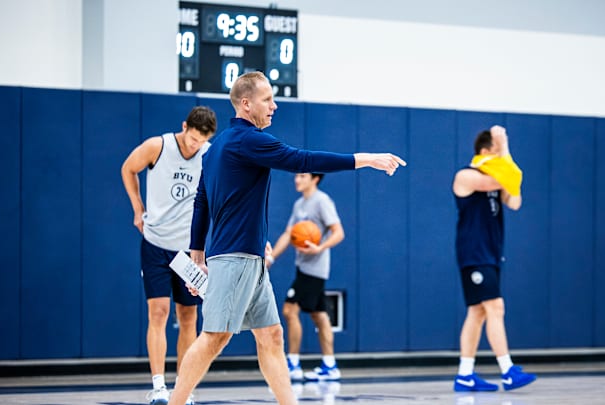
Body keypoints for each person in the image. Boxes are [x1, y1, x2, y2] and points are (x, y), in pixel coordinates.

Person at [167, 71, 406, 405]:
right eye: (268, 100)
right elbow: (301, 160)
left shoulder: (216, 147)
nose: (274, 106)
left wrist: (196, 255)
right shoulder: (248, 140)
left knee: (272, 335)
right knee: (214, 338)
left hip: (247, 256)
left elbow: (202, 201)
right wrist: (365, 159)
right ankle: (175, 401)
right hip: (236, 259)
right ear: (246, 104)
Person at [121, 106, 217, 405]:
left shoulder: (210, 155)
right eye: (191, 140)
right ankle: (159, 386)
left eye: (200, 142)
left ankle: (182, 389)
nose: (194, 146)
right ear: (184, 126)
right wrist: (137, 207)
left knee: (188, 317)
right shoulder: (157, 146)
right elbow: (128, 168)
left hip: (188, 250)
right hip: (155, 244)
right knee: (159, 312)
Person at [451, 125, 536, 392]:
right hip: (474, 252)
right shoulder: (466, 175)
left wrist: (505, 155)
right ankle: (507, 370)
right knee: (495, 308)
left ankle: (465, 374)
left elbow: (515, 201)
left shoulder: (499, 176)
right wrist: (506, 150)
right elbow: (508, 177)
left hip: (491, 251)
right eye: (497, 151)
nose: (502, 158)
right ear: (486, 151)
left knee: (477, 312)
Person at [266, 173, 344, 382]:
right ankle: (330, 365)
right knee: (319, 315)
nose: (296, 179)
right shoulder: (300, 204)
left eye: (302, 176)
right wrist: (271, 258)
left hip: (315, 269)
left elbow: (339, 232)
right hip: (303, 267)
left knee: (289, 309)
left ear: (315, 178)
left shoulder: (322, 201)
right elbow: (288, 234)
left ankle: (292, 363)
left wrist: (320, 247)